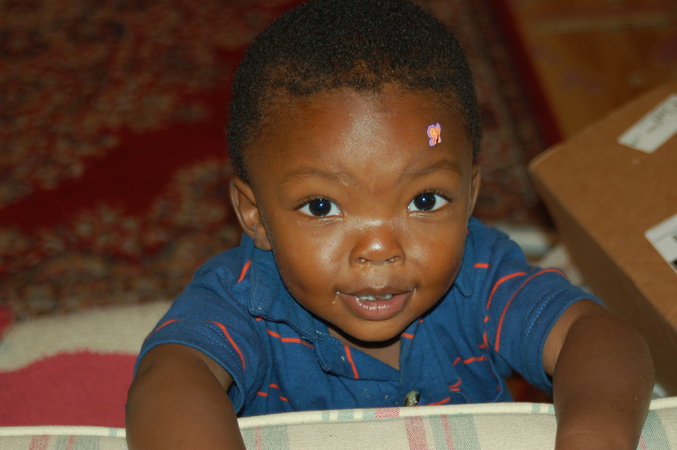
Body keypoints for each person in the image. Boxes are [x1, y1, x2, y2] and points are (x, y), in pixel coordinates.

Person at [125, 0, 654, 448]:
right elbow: (172, 376)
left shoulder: (481, 277)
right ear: (254, 214)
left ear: (470, 195)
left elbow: (597, 336)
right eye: (321, 207)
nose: (379, 248)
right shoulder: (243, 299)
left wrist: (592, 433)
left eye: (424, 200)